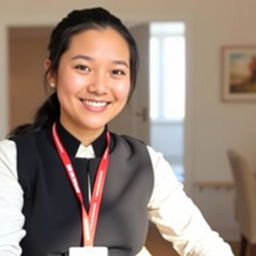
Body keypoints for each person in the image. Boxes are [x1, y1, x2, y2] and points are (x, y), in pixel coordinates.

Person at [0, 7, 234, 256]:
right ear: (52, 73)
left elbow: (201, 241)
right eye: (83, 67)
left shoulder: (145, 161)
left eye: (117, 72)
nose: (100, 87)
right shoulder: (13, 158)